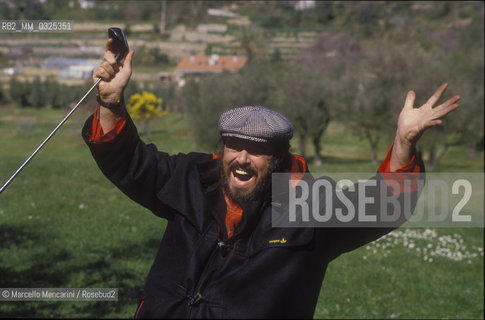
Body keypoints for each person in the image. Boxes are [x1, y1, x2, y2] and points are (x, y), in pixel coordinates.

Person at [82, 40, 460, 319]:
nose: (243, 158)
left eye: (257, 149)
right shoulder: (192, 178)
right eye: (235, 145)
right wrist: (111, 103)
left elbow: (384, 206)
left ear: (278, 158)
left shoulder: (310, 209)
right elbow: (129, 162)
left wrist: (403, 143)